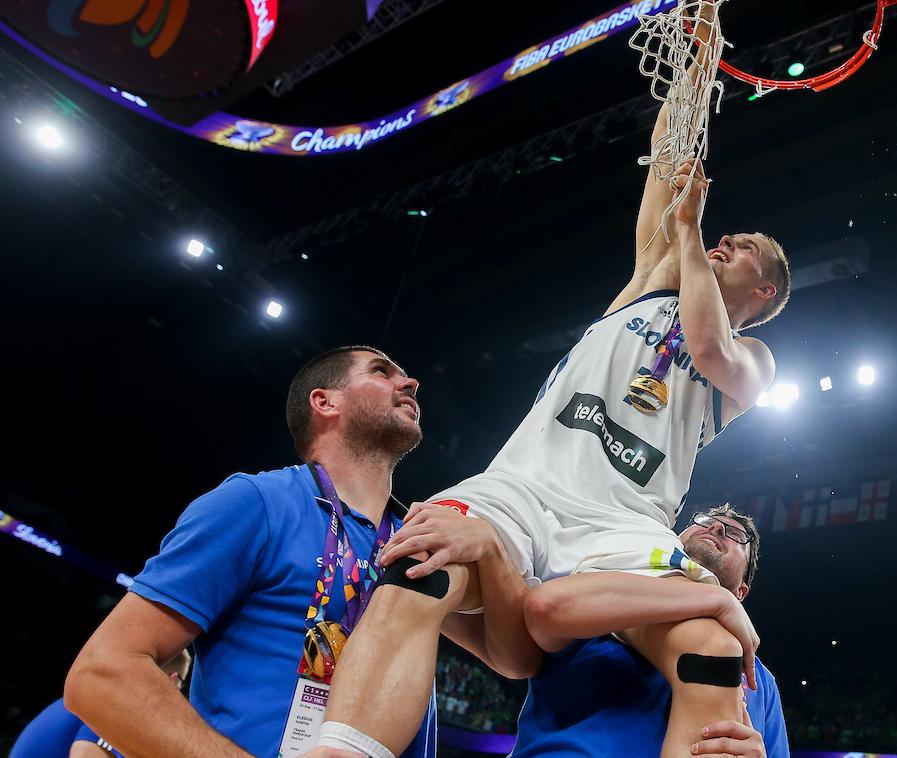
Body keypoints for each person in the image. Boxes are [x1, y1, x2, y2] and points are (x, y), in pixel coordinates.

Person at [315, 6, 791, 755]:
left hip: (625, 520)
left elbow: (706, 342)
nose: (733, 239)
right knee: (419, 570)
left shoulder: (754, 363)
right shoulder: (649, 282)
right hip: (527, 488)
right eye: (729, 236)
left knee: (710, 647)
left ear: (766, 295)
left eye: (751, 251)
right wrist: (696, 67)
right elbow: (671, 157)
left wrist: (696, 236)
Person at [63, 346, 537, 758]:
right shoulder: (256, 503)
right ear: (324, 402)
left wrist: (492, 549)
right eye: (380, 371)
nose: (409, 381)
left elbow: (515, 660)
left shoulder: (418, 534)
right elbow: (103, 674)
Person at [515, 505, 788, 758]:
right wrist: (717, 600)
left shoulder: (760, 682)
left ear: (741, 591)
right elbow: (547, 605)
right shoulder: (607, 600)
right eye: (706, 522)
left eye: (736, 535)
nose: (716, 529)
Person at [12, 650, 191, 758]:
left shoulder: (104, 695)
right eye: (182, 685)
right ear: (172, 680)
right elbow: (86, 755)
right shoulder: (123, 705)